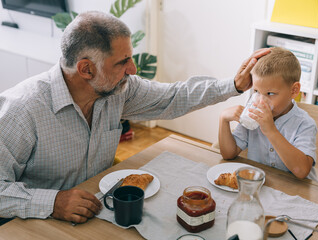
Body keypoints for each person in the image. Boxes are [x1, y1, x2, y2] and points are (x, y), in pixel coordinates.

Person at [0, 11, 270, 223]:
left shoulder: (118, 90)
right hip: (36, 223)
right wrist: (53, 203)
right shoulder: (22, 109)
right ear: (86, 69)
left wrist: (233, 85)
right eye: (122, 62)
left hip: (99, 211)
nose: (133, 68)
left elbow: (174, 97)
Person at [218, 47, 317, 180]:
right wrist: (223, 120)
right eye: (256, 92)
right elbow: (228, 154)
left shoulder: (304, 123)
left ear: (294, 90)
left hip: (296, 193)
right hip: (262, 186)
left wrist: (271, 130)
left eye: (270, 94)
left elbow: (301, 171)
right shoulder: (253, 114)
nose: (260, 101)